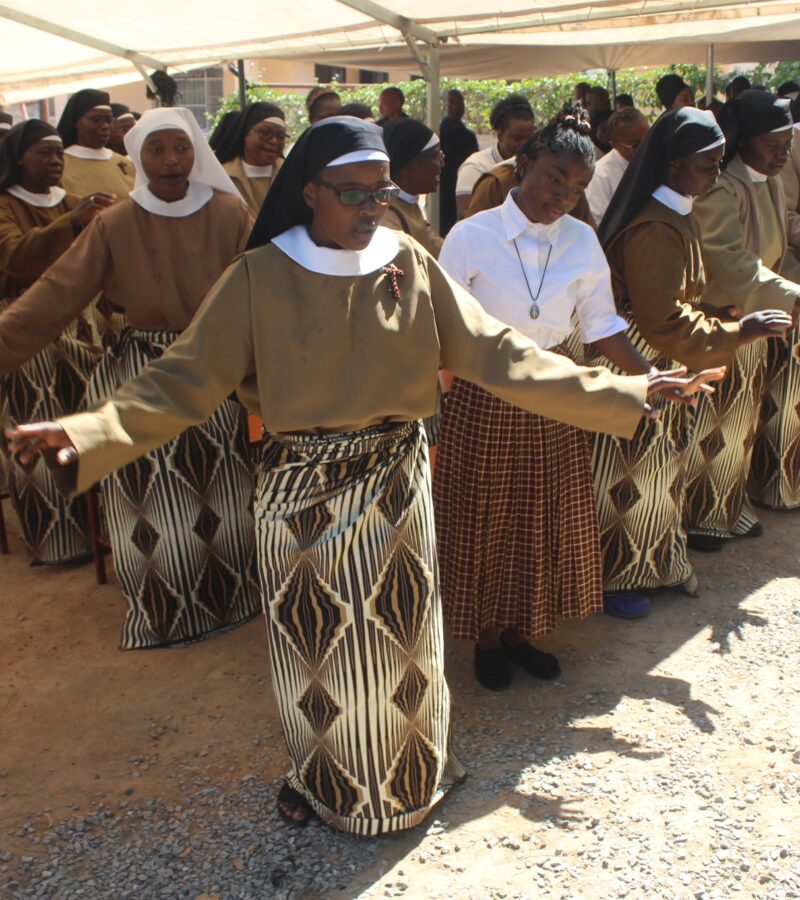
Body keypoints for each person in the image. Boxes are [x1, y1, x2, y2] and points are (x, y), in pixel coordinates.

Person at [6, 116, 711, 834]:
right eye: (352, 194)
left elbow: (500, 354)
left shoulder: (406, 260)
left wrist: (630, 389)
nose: (370, 208)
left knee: (405, 645)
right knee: (318, 650)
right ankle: (321, 780)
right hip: (301, 492)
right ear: (310, 191)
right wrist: (85, 430)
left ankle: (416, 768)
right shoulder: (258, 276)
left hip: (397, 486)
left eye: (379, 194)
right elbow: (178, 383)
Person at [433, 105, 723, 690]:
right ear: (524, 166)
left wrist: (650, 379)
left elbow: (602, 326)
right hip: (485, 395)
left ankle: (523, 632)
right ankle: (488, 636)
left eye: (577, 186)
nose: (562, 194)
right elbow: (443, 330)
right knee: (488, 519)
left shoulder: (582, 240)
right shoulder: (471, 235)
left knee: (542, 518)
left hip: (558, 395)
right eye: (553, 177)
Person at [0, 107, 259, 649]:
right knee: (151, 487)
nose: (171, 160)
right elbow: (56, 293)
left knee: (225, 484)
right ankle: (165, 609)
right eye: (157, 149)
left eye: (181, 148)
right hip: (141, 371)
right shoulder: (114, 223)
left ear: (196, 153)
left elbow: (268, 292)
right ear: (138, 156)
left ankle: (231, 596)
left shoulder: (233, 214)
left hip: (212, 368)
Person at [592, 108, 791, 616]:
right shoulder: (654, 227)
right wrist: (738, 329)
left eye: (720, 162)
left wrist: (710, 311)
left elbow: (679, 299)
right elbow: (660, 318)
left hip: (665, 358)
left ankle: (657, 562)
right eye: (708, 165)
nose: (716, 174)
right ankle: (618, 575)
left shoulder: (677, 210)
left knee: (661, 470)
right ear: (675, 165)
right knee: (631, 475)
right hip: (641, 363)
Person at [687, 90, 800, 543]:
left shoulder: (767, 179)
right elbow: (731, 261)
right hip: (725, 318)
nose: (782, 153)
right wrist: (793, 296)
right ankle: (703, 516)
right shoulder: (721, 186)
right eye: (772, 144)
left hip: (758, 313)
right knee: (716, 425)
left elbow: (775, 254)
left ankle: (730, 507)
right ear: (746, 140)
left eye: (786, 143)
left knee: (743, 423)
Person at [0, 120, 114, 564]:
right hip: (26, 324)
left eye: (58, 153)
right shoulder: (8, 204)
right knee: (37, 419)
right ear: (19, 159)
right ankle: (56, 540)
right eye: (44, 153)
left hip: (79, 322)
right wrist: (71, 223)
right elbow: (15, 254)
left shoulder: (70, 202)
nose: (54, 161)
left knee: (80, 420)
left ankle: (95, 525)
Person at [455, 93, 534, 219]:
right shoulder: (476, 166)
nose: (524, 144)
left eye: (529, 138)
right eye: (517, 138)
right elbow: (465, 215)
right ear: (500, 135)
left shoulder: (535, 165)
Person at [381, 118, 443, 257]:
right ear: (408, 165)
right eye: (435, 156)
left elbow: (432, 243)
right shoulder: (385, 212)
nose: (441, 164)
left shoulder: (408, 201)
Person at [56, 89, 135, 197]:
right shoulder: (61, 165)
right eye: (96, 120)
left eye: (108, 120)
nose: (105, 126)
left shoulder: (124, 162)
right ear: (76, 122)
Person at [213, 101, 287, 215]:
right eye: (265, 133)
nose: (274, 141)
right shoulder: (221, 177)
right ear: (245, 134)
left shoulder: (292, 174)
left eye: (280, 136)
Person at [585, 108, 650, 223]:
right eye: (635, 144)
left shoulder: (659, 161)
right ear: (614, 144)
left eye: (649, 139)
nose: (645, 147)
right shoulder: (600, 175)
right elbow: (597, 223)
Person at [439, 89, 478, 236]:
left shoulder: (469, 136)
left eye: (459, 103)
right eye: (452, 103)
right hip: (443, 192)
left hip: (465, 190)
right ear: (444, 106)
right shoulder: (437, 132)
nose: (455, 107)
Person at [586, 86, 613, 154]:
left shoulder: (613, 119)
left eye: (590, 101)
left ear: (603, 100)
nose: (587, 104)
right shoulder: (591, 119)